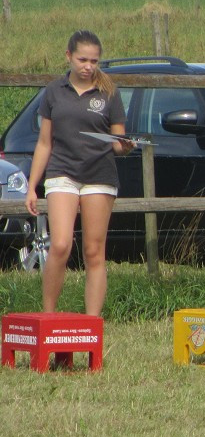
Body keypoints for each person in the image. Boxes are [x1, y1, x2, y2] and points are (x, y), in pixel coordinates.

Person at [25, 31, 134, 316]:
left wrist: (125, 147)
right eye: (82, 59)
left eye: (94, 61)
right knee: (60, 244)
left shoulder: (109, 92)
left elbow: (117, 144)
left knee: (94, 251)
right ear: (69, 57)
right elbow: (45, 142)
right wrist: (31, 186)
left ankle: (91, 325)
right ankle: (48, 317)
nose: (88, 66)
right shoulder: (54, 91)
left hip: (99, 175)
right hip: (62, 172)